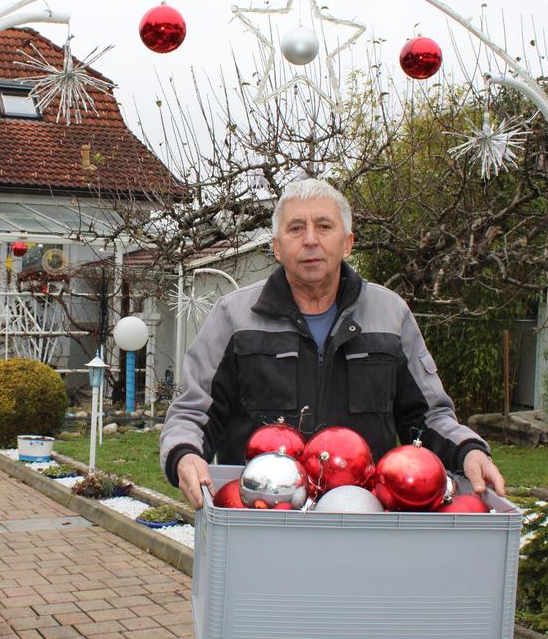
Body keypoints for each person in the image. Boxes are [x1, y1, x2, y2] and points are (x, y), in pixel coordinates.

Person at [160, 178, 505, 508]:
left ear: (348, 242)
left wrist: (469, 450)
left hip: (365, 521)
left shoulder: (391, 314)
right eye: (296, 228)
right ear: (277, 247)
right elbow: (194, 412)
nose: (310, 239)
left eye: (324, 226)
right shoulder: (234, 317)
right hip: (262, 515)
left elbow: (428, 416)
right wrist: (184, 454)